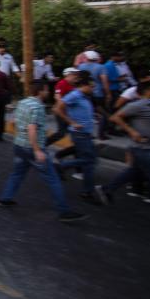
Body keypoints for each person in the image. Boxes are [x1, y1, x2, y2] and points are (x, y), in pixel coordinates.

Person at [96, 81, 150, 234]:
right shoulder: (138, 105)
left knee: (135, 172)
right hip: (143, 149)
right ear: (146, 93)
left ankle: (107, 189)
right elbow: (116, 117)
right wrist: (132, 132)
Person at [0, 80, 89, 222]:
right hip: (32, 148)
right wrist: (37, 150)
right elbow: (32, 128)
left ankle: (6, 197)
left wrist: (21, 137)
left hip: (19, 146)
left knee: (17, 173)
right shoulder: (38, 107)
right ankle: (64, 211)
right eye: (46, 90)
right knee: (53, 179)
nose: (48, 92)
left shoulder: (22, 103)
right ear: (40, 91)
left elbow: (14, 122)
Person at [54, 75, 99, 203]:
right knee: (89, 161)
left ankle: (87, 190)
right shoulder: (75, 95)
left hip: (86, 133)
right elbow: (58, 108)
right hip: (79, 134)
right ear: (83, 86)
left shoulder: (85, 97)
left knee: (89, 162)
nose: (93, 89)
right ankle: (63, 167)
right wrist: (71, 122)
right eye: (91, 87)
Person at [78, 51, 111, 140]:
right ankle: (101, 134)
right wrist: (108, 93)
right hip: (98, 93)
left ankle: (88, 133)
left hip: (85, 94)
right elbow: (104, 81)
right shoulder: (101, 67)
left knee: (89, 113)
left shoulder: (81, 66)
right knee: (103, 114)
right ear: (97, 58)